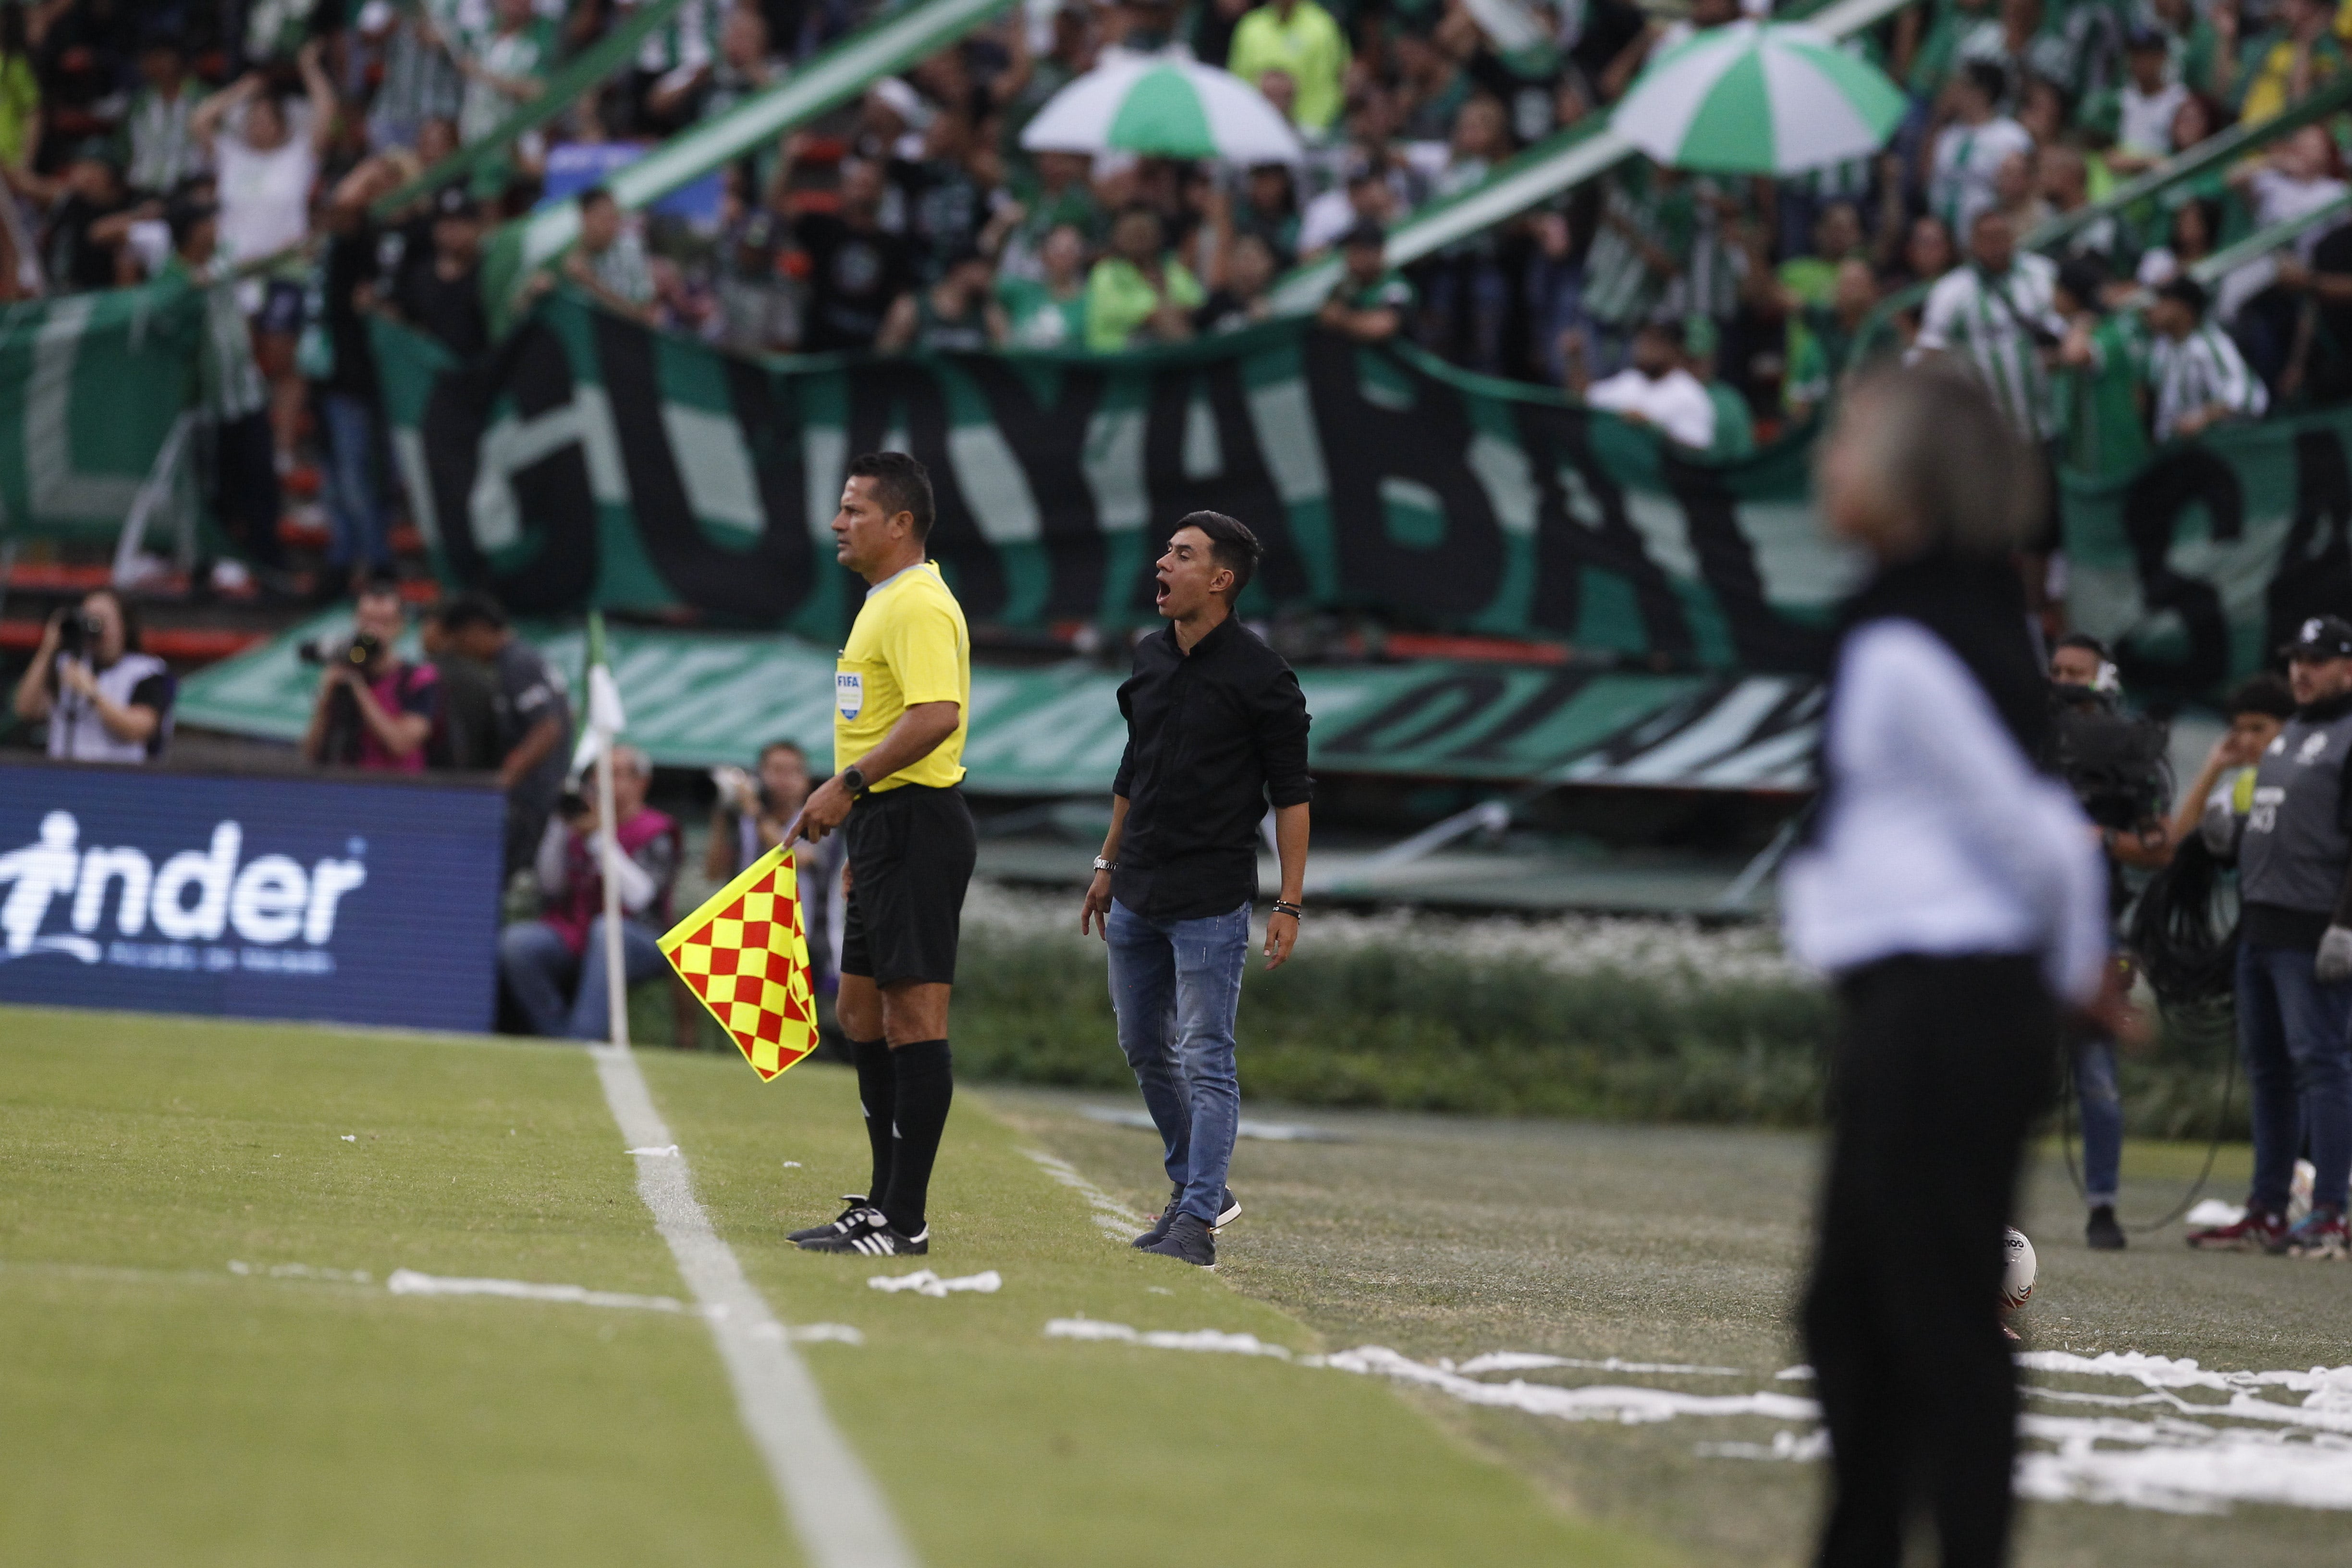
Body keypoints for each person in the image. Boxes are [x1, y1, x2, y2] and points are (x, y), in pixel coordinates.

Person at [1782, 364, 2122, 1568]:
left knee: (1928, 1323)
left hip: (1950, 1001)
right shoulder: (1938, 613)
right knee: (1860, 1315)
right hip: (1929, 999)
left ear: (1908, 480)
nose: (1828, 465)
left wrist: (2082, 973)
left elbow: (2035, 832)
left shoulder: (1916, 635)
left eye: (1849, 444)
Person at [1078, 511, 1312, 1267]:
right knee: (1143, 1045)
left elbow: (1293, 797)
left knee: (1207, 1055)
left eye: (1182, 556)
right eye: (1165, 553)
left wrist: (1289, 901)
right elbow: (1132, 773)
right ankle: (1198, 1187)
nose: (1162, 565)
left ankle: (1199, 1222)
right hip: (1138, 889)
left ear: (1222, 580)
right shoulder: (1148, 659)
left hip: (1211, 896)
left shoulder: (1264, 678)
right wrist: (1106, 866)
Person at [791, 453, 977, 1259]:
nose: (838, 522)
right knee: (860, 1013)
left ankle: (906, 1217)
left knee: (912, 1018)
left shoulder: (917, 605)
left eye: (854, 509)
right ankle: (883, 1198)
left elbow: (939, 713)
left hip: (914, 821)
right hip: (881, 828)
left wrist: (851, 783)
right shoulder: (882, 603)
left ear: (900, 523)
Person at [2186, 615, 2352, 1259]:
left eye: (2317, 659)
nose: (2302, 671)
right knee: (2270, 1073)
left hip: (2314, 930)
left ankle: (2332, 1213)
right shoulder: (2290, 736)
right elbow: (2281, 821)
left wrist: (2345, 925)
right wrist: (2233, 823)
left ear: (2348, 667)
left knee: (2324, 1066)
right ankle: (2268, 1210)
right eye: (2296, 659)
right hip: (2260, 928)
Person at [189, 40, 336, 474]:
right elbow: (199, 121)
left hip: (283, 268)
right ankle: (242, 451)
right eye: (250, 120)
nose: (256, 126)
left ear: (281, 125)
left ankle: (283, 446)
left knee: (283, 360)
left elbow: (327, 113)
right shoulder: (231, 157)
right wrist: (239, 92)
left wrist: (310, 69)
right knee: (238, 361)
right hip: (233, 272)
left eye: (264, 118)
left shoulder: (297, 158)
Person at [499, 747, 683, 1041]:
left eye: (617, 774)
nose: (604, 782)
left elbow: (641, 897)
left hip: (640, 937)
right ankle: (558, 1036)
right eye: (600, 773)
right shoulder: (580, 822)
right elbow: (550, 884)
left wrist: (599, 840)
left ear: (640, 783)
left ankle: (583, 1038)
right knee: (518, 944)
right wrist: (561, 824)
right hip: (576, 930)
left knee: (607, 932)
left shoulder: (655, 830)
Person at [162, 194, 285, 580]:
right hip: (205, 405)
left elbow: (249, 266)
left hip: (245, 394)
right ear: (190, 233)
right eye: (206, 225)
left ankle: (266, 563)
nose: (215, 231)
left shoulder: (222, 262)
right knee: (215, 490)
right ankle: (208, 566)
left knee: (261, 482)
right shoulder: (170, 280)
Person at [436, 593, 574, 878]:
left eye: (460, 639)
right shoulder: (518, 660)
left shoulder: (517, 662)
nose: (460, 650)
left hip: (533, 798)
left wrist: (503, 781)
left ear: (476, 629)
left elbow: (548, 728)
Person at [706, 740, 842, 998]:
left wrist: (754, 811)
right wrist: (721, 814)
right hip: (746, 937)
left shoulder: (820, 822)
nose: (784, 780)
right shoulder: (743, 820)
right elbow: (713, 872)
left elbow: (797, 857)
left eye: (792, 771)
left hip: (804, 943)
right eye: (776, 770)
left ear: (806, 781)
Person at [10, 589, 173, 764]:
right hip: (61, 775)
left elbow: (139, 730)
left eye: (102, 619)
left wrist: (94, 694)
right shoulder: (66, 665)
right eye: (87, 618)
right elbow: (25, 709)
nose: (94, 626)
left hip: (121, 777)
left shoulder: (145, 671)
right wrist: (48, 648)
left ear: (123, 625)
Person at [300, 577, 440, 773]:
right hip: (346, 788)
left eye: (384, 622)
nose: (373, 631)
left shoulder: (419, 678)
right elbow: (311, 752)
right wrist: (326, 699)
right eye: (367, 621)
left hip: (398, 792)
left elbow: (400, 744)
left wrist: (359, 690)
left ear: (399, 625)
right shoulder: (341, 672)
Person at [2142, 276, 2267, 442]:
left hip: (2215, 451)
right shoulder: (2161, 349)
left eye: (2164, 301)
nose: (2155, 309)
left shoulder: (2210, 344)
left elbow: (2249, 395)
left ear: (2184, 308)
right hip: (2172, 453)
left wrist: (2203, 417)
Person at [1563, 319, 1717, 451]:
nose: (1645, 348)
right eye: (1644, 339)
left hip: (1662, 482)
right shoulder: (1630, 381)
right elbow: (1583, 397)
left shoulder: (1690, 393)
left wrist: (1652, 430)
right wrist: (1575, 358)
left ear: (1674, 349)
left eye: (1655, 342)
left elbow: (1699, 450)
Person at [1926, 62, 2037, 244]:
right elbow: (1927, 179)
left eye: (1961, 85)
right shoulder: (1948, 134)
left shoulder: (2012, 136)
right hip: (1943, 242)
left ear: (1980, 92)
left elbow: (2024, 191)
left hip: (1989, 239)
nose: (1953, 90)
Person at [385, 186, 491, 359]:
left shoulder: (491, 269)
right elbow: (406, 325)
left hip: (488, 371)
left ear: (477, 226)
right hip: (439, 376)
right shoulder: (419, 276)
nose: (452, 231)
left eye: (460, 222)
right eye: (445, 223)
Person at [1085, 205, 1203, 352]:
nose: (1139, 239)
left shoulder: (1171, 267)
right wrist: (1156, 310)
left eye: (1144, 232)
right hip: (1118, 352)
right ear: (1117, 237)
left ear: (1159, 235)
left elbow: (1196, 302)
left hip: (1163, 344)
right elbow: (1115, 311)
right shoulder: (1106, 271)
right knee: (1164, 319)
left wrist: (1163, 292)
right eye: (1132, 233)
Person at [1226, 0, 1350, 136]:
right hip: (1255, 126)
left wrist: (1311, 127)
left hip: (1312, 129)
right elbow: (1238, 83)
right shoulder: (1250, 27)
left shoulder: (1324, 27)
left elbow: (1337, 82)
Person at [875, 244, 1007, 351]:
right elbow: (885, 359)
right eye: (985, 268)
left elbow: (1006, 355)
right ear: (960, 269)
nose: (991, 277)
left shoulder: (988, 314)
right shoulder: (911, 308)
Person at [563, 186, 658, 323]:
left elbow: (646, 317)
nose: (612, 226)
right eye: (605, 219)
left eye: (615, 218)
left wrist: (591, 283)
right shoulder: (564, 254)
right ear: (585, 217)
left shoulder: (630, 250)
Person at [1316, 219, 1411, 343]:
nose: (1353, 257)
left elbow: (1383, 325)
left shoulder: (1395, 285)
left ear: (1379, 252)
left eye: (1360, 250)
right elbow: (1326, 315)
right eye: (1351, 249)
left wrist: (1342, 319)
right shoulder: (1346, 285)